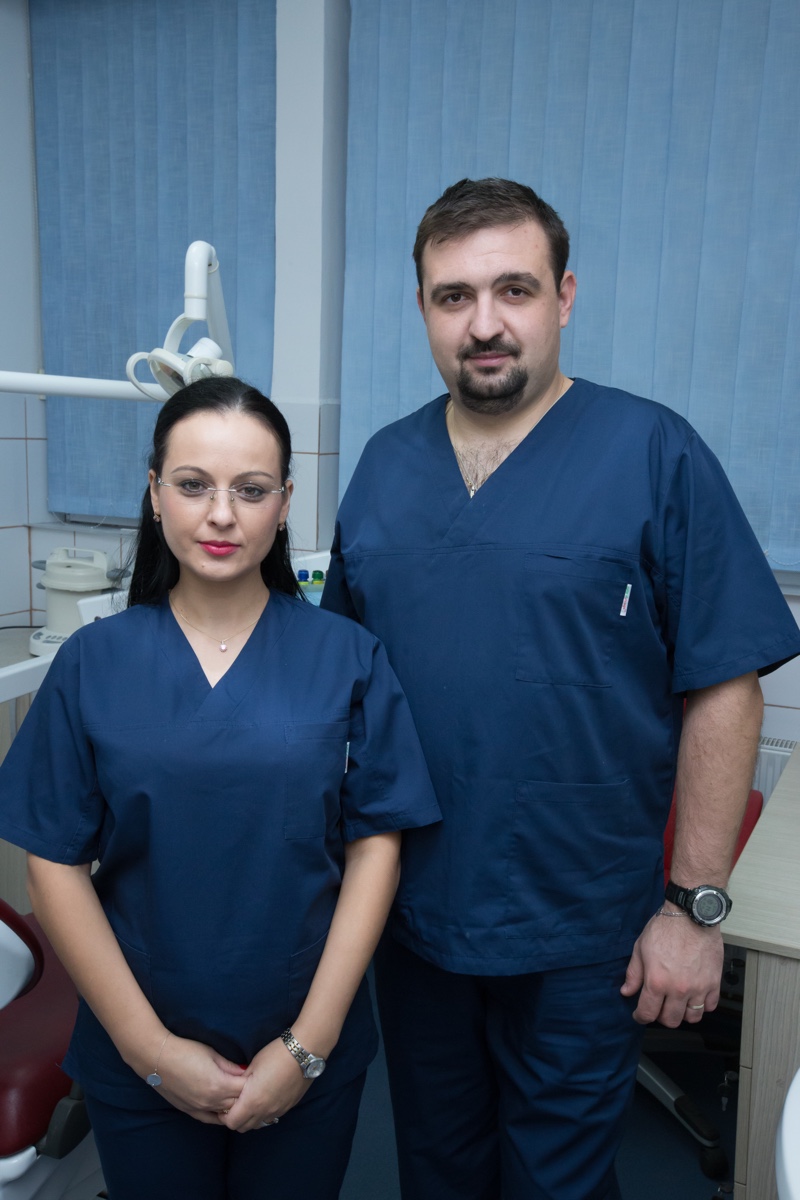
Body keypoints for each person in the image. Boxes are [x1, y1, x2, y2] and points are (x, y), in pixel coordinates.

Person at [321, 178, 800, 1199]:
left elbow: (725, 686)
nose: (484, 324)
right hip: (415, 918)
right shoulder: (383, 467)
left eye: (514, 289)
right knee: (437, 1169)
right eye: (453, 296)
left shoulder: (653, 452)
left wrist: (693, 910)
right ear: (422, 308)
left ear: (564, 297)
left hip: (584, 927)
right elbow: (344, 690)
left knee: (557, 1182)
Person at [0, 377, 440, 1200]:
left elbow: (377, 845)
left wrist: (307, 1046)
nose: (222, 515)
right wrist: (151, 1052)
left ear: (285, 503)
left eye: (251, 489)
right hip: (140, 1044)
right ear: (155, 494)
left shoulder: (347, 657)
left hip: (306, 1043)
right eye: (194, 484)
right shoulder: (95, 661)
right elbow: (52, 864)